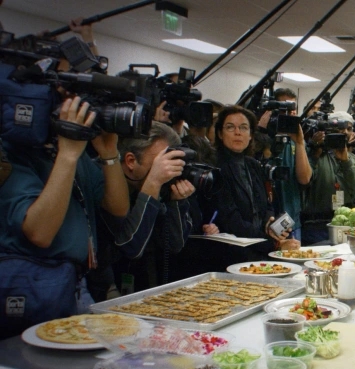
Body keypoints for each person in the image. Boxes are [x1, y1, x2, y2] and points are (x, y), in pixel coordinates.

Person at [0, 97, 129, 339]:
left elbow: (117, 207)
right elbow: (39, 233)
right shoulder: (12, 151)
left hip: (74, 284)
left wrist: (110, 153)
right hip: (31, 287)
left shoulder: (72, 151)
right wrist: (68, 155)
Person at [102, 122, 196, 296]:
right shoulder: (106, 184)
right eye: (159, 163)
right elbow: (130, 248)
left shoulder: (159, 185)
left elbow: (175, 245)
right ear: (130, 161)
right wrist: (153, 182)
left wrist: (176, 202)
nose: (167, 170)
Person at [209, 105, 299, 261]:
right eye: (230, 127)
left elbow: (268, 204)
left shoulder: (253, 164)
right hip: (231, 254)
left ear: (251, 135)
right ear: (220, 134)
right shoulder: (215, 167)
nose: (238, 132)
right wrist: (273, 243)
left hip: (260, 250)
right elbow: (231, 220)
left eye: (244, 128)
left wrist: (269, 225)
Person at [302, 111, 355, 244]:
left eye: (349, 129)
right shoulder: (315, 156)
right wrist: (314, 152)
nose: (344, 132)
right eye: (339, 128)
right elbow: (304, 180)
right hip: (315, 226)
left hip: (346, 224)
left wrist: (346, 162)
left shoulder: (354, 160)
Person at [256, 88, 312, 241]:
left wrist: (299, 142)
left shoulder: (295, 142)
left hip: (290, 220)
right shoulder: (261, 139)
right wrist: (261, 131)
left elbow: (305, 179)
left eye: (292, 110)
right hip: (264, 222)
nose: (289, 115)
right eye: (284, 110)